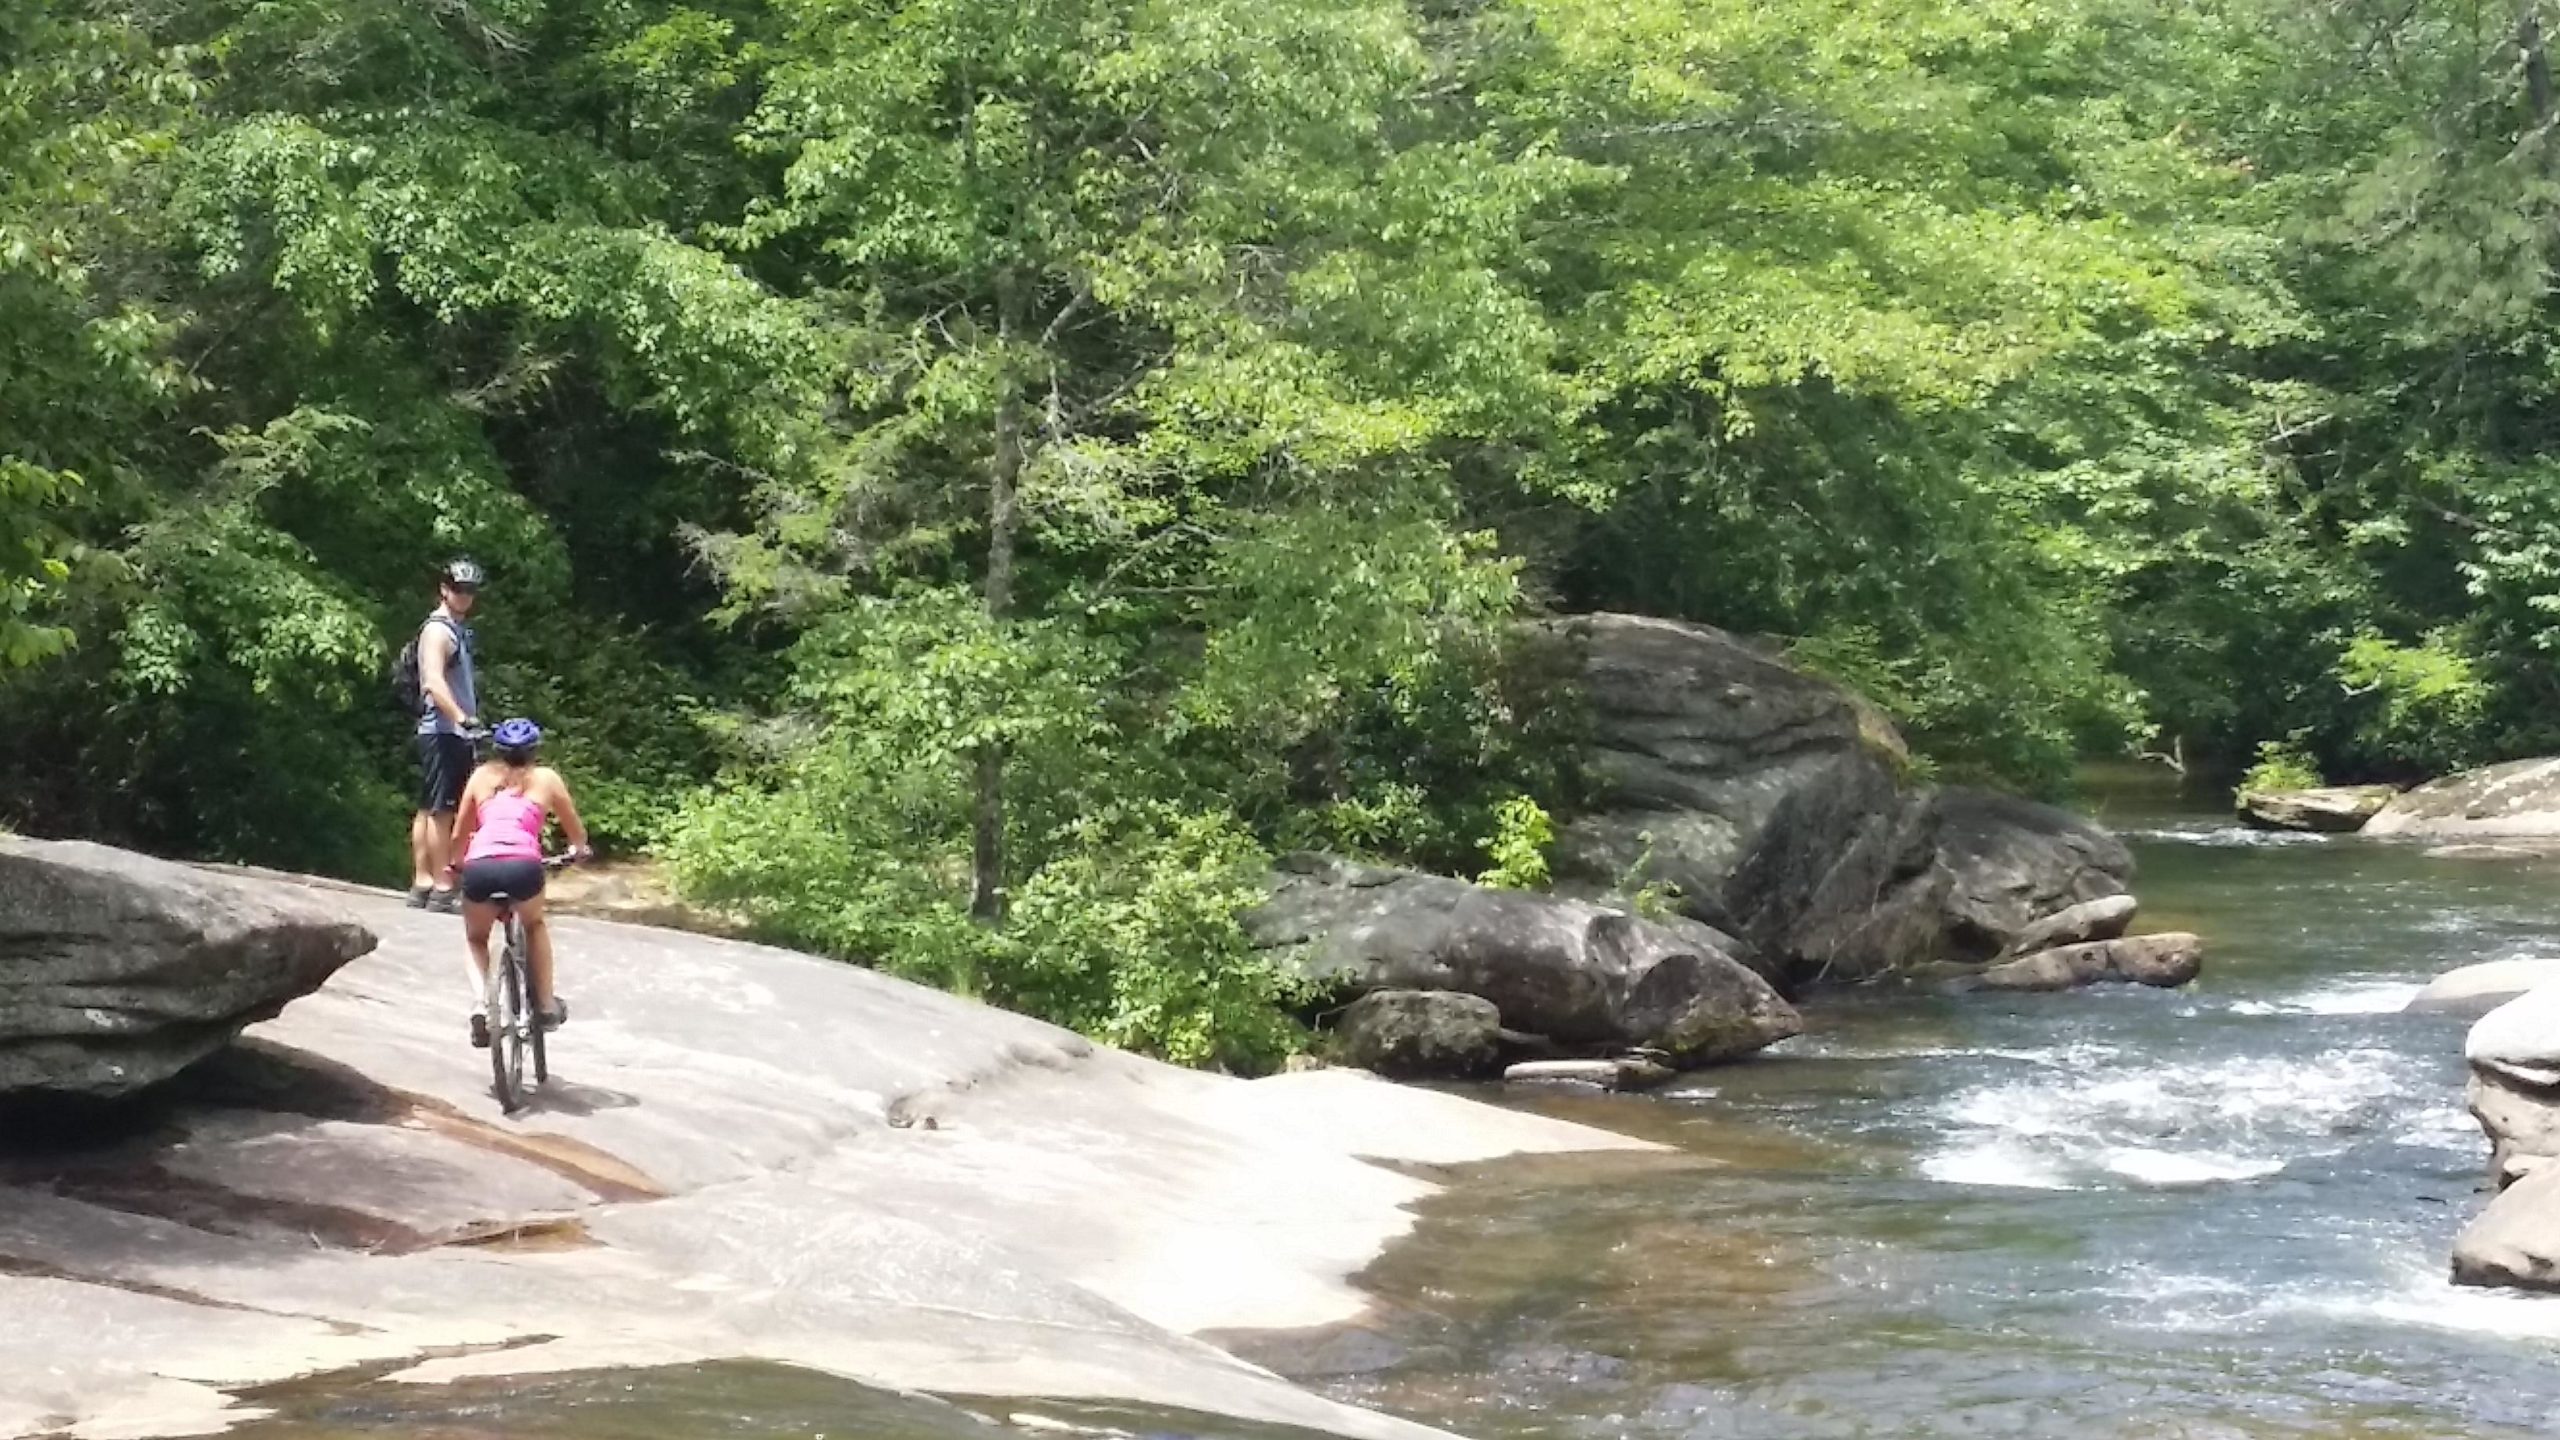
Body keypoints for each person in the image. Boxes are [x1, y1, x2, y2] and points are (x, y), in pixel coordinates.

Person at [447, 718, 592, 1047]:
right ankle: (544, 1005)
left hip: (480, 867)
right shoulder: (547, 779)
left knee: (475, 937)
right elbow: (575, 830)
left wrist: (455, 863)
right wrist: (579, 850)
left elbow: (459, 833)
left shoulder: (481, 777)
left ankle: (483, 1003)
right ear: (534, 751)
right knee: (535, 925)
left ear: (497, 751)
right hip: (523, 867)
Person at [408, 558, 484, 912]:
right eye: (458, 589)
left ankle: (423, 882)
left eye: (470, 590)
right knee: (442, 811)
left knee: (429, 805)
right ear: (444, 589)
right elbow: (433, 683)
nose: (464, 596)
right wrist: (462, 719)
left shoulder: (455, 629)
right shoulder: (438, 631)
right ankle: (440, 885)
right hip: (443, 731)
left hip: (445, 732)